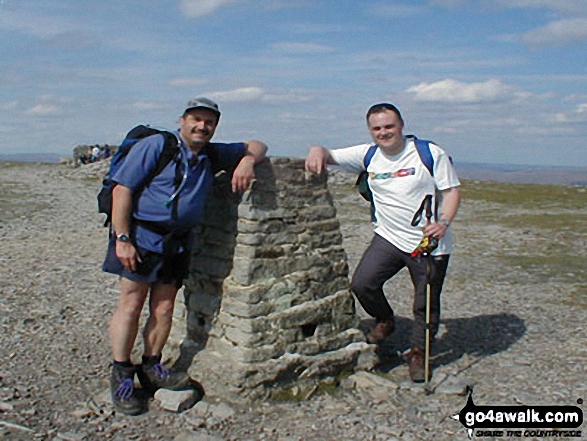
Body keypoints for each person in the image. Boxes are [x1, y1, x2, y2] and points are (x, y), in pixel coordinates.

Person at [103, 97, 268, 415]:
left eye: (209, 122)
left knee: (164, 308)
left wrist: (247, 161)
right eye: (196, 119)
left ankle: (152, 366)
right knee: (132, 304)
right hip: (141, 237)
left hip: (178, 243)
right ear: (182, 120)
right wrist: (122, 238)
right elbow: (121, 190)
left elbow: (259, 145)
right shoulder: (157, 146)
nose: (202, 126)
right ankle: (122, 373)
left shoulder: (213, 153)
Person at [305, 103, 460, 383]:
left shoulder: (428, 153)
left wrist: (443, 223)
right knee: (363, 284)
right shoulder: (369, 154)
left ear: (401, 125)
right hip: (388, 238)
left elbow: (451, 191)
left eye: (389, 126)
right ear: (370, 130)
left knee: (424, 303)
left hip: (428, 242)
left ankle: (418, 353)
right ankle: (385, 320)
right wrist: (316, 150)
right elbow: (327, 154)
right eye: (377, 128)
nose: (383, 132)